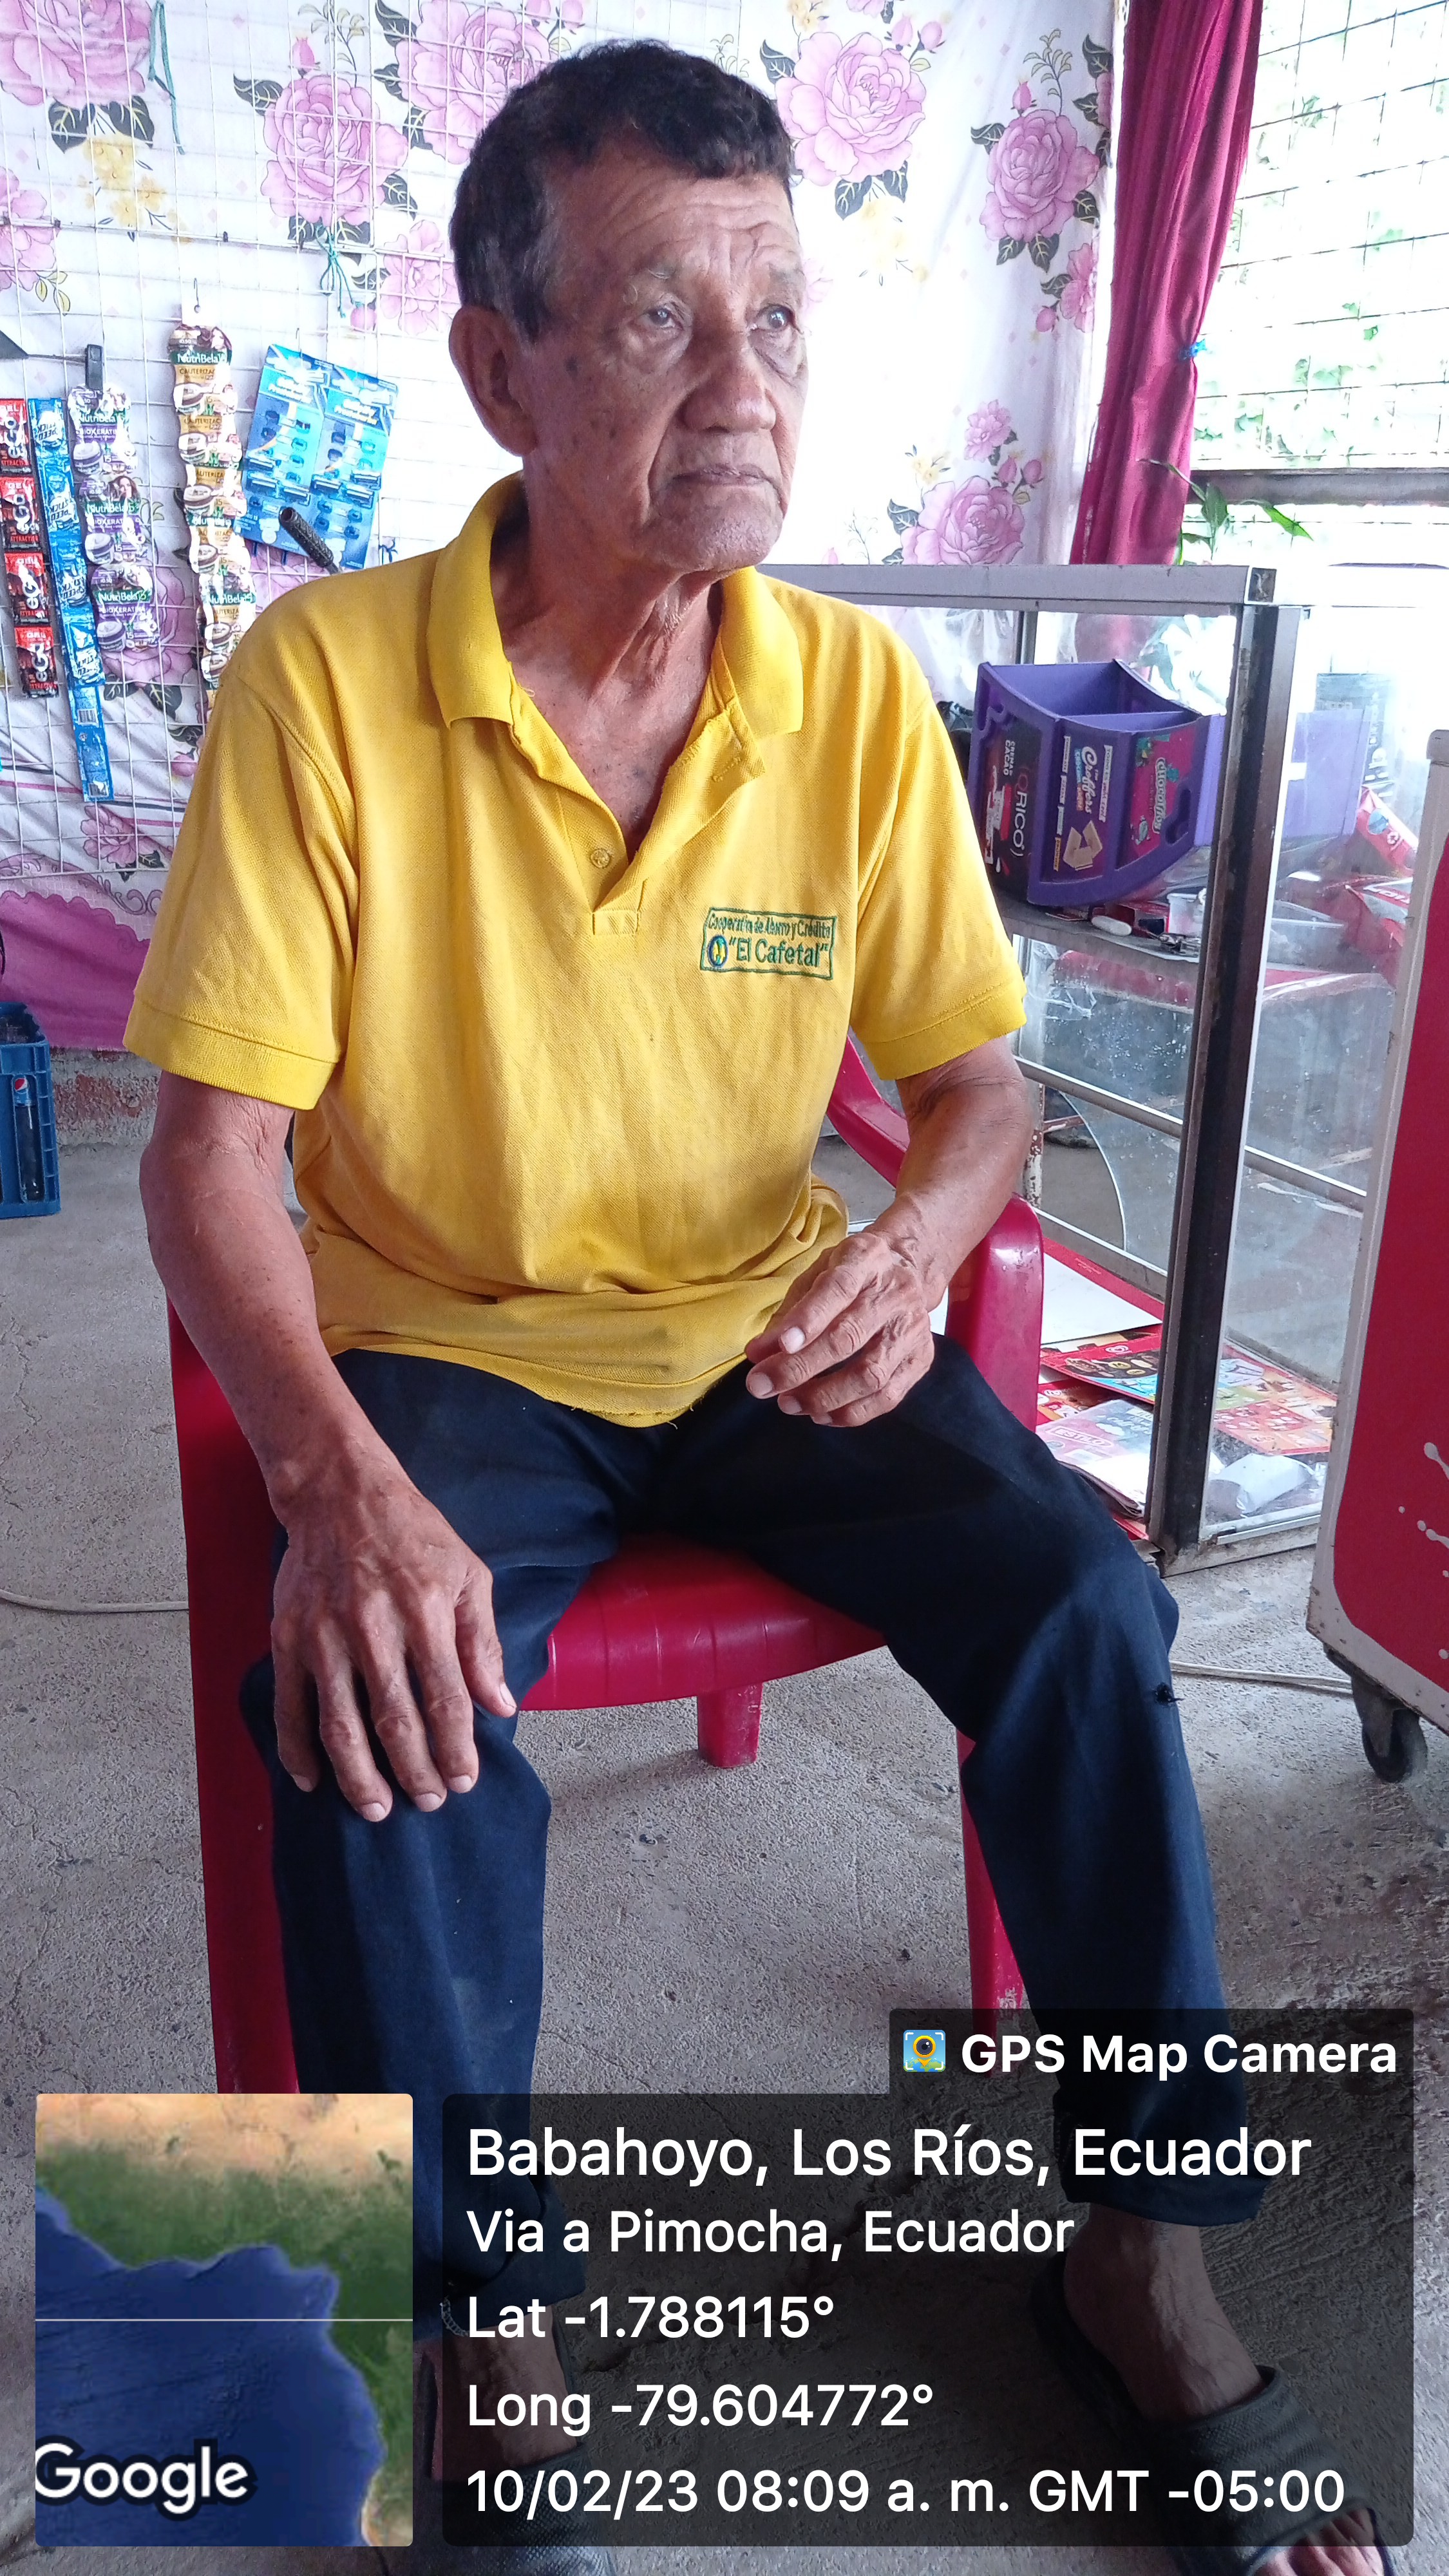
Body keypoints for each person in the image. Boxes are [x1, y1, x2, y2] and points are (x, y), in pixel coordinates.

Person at [131, 43, 1386, 2576]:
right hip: (449, 1338)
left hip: (761, 1320)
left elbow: (977, 1087)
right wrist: (332, 1484)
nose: (744, 391)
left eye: (781, 321)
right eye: (656, 322)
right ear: (497, 369)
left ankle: (1135, 2246)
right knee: (378, 1707)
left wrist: (915, 1246)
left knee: (1084, 1602)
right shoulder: (325, 685)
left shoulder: (837, 693)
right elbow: (208, 1156)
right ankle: (481, 2334)